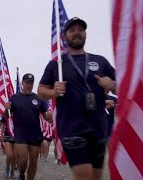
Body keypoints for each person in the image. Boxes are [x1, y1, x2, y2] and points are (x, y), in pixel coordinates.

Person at [38, 17, 116, 180]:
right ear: (65, 36)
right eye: (72, 30)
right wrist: (53, 92)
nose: (77, 32)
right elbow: (41, 91)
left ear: (85, 34)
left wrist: (112, 83)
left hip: (98, 129)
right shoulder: (56, 64)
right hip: (72, 129)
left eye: (80, 29)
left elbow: (123, 87)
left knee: (95, 176)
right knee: (84, 175)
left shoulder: (100, 61)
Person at [4, 73, 53, 180]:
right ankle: (21, 174)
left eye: (31, 83)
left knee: (34, 162)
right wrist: (6, 109)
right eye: (27, 82)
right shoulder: (14, 98)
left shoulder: (38, 98)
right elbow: (7, 116)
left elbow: (46, 116)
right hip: (20, 135)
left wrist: (48, 116)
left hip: (35, 135)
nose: (29, 85)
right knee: (23, 161)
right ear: (22, 83)